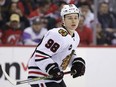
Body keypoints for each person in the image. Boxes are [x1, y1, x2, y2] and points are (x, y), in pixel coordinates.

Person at [28, 4, 86, 87]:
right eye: (69, 18)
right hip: (41, 76)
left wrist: (76, 63)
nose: (73, 21)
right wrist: (53, 70)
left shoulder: (75, 36)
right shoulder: (57, 34)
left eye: (75, 18)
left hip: (54, 78)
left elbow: (68, 55)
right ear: (63, 20)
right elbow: (40, 55)